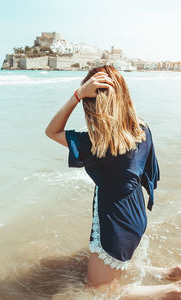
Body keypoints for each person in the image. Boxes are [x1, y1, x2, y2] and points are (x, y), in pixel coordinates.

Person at [45, 65, 181, 299]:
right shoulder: (142, 130)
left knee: (100, 291)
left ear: (92, 106)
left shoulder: (95, 145)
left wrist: (77, 95)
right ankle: (170, 273)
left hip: (115, 221)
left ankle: (172, 291)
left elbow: (51, 131)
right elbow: (147, 171)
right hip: (135, 212)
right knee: (113, 265)